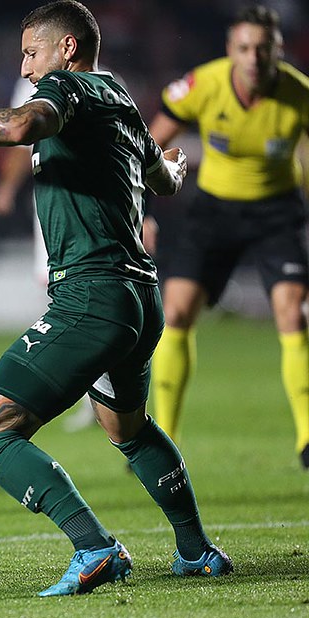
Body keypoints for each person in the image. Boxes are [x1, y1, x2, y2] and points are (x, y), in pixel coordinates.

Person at [0, 0, 232, 596]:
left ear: (66, 49)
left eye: (30, 53)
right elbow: (164, 178)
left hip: (90, 298)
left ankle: (94, 545)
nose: (24, 69)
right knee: (127, 429)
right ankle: (196, 550)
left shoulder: (66, 89)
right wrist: (173, 165)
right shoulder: (121, 100)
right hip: (137, 298)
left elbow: (22, 126)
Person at [144, 5, 309, 468]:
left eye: (262, 49)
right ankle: (167, 443)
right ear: (230, 51)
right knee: (175, 311)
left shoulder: (299, 94)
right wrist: (144, 212)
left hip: (277, 212)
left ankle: (307, 441)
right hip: (213, 210)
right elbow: (149, 147)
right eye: (244, 48)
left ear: (278, 51)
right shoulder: (203, 86)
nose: (253, 58)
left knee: (292, 313)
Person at [0, 75, 97, 433]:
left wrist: (6, 187)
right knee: (72, 298)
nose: (25, 66)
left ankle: (92, 396)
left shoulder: (43, 90)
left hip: (72, 215)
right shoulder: (112, 82)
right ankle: (99, 398)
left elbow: (19, 137)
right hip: (64, 212)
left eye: (32, 53)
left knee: (71, 300)